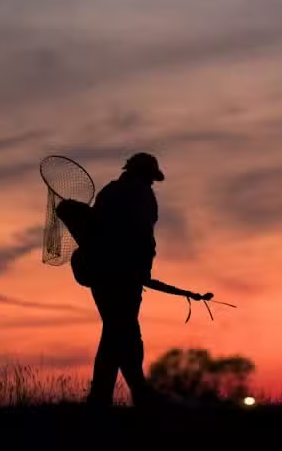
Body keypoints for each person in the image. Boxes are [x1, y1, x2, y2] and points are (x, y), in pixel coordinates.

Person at [86, 152, 211, 407]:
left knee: (117, 334)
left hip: (99, 275)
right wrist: (141, 269)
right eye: (151, 179)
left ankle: (108, 397)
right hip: (124, 276)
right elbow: (142, 235)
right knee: (123, 334)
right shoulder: (140, 194)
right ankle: (135, 394)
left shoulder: (108, 192)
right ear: (144, 175)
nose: (152, 184)